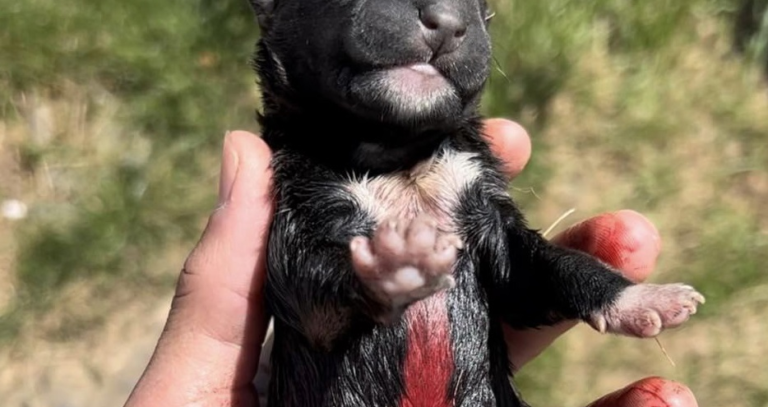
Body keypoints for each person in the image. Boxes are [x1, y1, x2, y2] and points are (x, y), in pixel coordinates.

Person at [124, 119, 699, 407]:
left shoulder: (460, 160)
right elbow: (314, 314)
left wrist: (606, 294)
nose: (438, 29)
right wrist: (370, 284)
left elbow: (522, 276)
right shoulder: (306, 175)